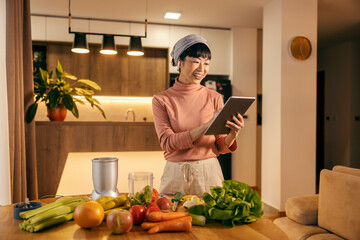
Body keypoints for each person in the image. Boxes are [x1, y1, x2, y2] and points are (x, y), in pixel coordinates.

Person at [152, 34, 244, 197]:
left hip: (209, 172)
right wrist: (205, 126)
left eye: (207, 63)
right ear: (179, 60)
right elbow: (167, 142)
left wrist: (233, 134)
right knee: (172, 219)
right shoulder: (162, 100)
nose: (202, 69)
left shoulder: (214, 97)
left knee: (211, 221)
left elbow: (221, 146)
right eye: (195, 61)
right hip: (176, 173)